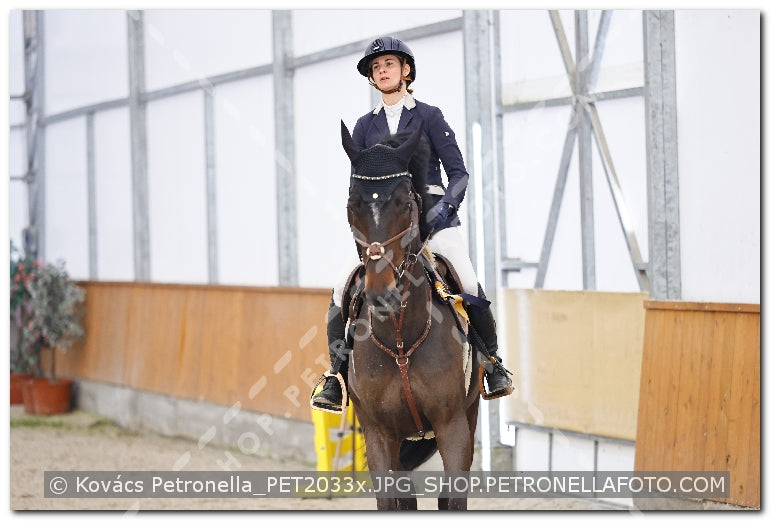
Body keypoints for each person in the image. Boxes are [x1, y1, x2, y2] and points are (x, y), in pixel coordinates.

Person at [313, 36, 512, 411]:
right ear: (372, 78)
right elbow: (357, 188)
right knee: (341, 286)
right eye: (376, 67)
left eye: (389, 64)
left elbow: (459, 174)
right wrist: (365, 232)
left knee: (466, 279)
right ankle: (335, 376)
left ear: (405, 70)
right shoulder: (362, 127)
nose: (382, 71)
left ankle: (492, 364)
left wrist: (441, 213)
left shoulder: (429, 116)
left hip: (434, 221)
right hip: (385, 231)